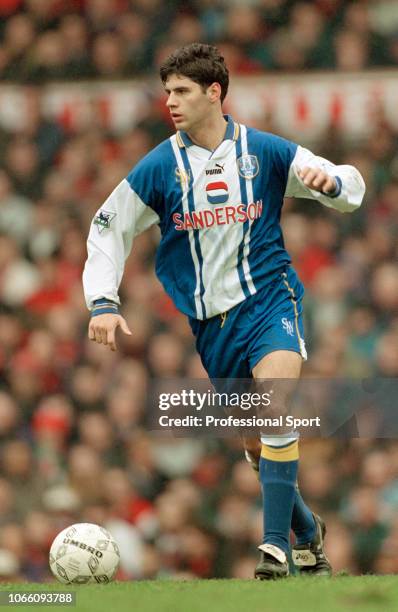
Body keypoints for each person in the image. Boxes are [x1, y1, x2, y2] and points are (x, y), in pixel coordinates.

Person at [82, 43, 365, 579]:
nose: (171, 101)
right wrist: (103, 301)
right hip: (212, 325)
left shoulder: (264, 152)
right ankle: (307, 530)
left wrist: (336, 185)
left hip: (269, 300)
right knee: (259, 449)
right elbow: (108, 227)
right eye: (167, 92)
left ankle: (275, 549)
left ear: (215, 93)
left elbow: (343, 183)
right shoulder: (159, 167)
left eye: (182, 91)